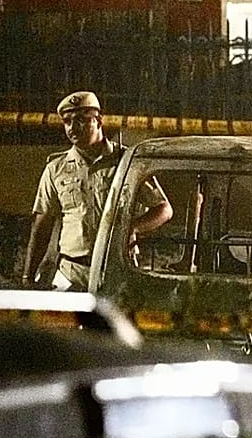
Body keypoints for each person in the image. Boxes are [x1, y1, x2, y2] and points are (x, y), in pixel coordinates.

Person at [23, 91, 172, 291]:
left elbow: (163, 209)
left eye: (81, 120)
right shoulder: (56, 169)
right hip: (71, 273)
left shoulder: (126, 162)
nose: (73, 127)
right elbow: (42, 224)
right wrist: (28, 275)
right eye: (67, 122)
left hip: (117, 270)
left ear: (99, 120)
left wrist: (131, 228)